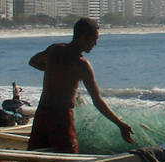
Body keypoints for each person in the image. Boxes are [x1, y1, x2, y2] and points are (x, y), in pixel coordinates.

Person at [27, 17, 134, 153]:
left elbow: (33, 62)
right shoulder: (82, 65)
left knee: (35, 155)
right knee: (69, 158)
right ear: (82, 37)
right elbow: (97, 100)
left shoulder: (54, 50)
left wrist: (52, 70)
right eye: (93, 39)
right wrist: (120, 124)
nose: (95, 44)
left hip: (42, 113)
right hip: (62, 118)